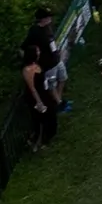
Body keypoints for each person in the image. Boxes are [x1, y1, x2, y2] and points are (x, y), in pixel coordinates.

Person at [20, 8, 64, 148]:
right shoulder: (29, 69)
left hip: (44, 91)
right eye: (37, 51)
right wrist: (39, 102)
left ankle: (47, 137)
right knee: (40, 120)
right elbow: (32, 88)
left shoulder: (38, 66)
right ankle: (38, 142)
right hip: (38, 96)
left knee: (51, 116)